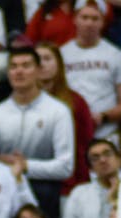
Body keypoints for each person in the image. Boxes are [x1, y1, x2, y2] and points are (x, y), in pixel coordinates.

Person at [0, 45, 75, 218]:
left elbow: (66, 166)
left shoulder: (58, 111)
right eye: (13, 66)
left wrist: (26, 166)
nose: (19, 71)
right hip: (4, 192)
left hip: (44, 193)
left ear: (38, 71)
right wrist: (4, 165)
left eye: (26, 65)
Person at [61, 0, 121, 140]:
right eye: (84, 17)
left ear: (103, 22)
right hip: (71, 132)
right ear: (75, 19)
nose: (89, 23)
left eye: (95, 18)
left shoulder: (116, 55)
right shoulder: (62, 54)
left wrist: (103, 117)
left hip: (108, 133)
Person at [36, 41, 94, 195]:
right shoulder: (21, 104)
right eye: (37, 59)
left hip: (69, 183)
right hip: (35, 180)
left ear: (59, 64)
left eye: (47, 59)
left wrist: (81, 184)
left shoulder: (76, 102)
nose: (42, 64)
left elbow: (85, 145)